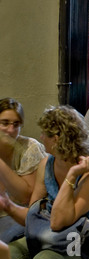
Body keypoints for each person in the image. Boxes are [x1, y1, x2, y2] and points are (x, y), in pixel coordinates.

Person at [0, 105, 89, 259]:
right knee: (12, 253)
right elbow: (34, 218)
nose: (41, 137)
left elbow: (59, 221)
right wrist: (9, 206)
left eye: (45, 133)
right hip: (57, 234)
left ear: (56, 139)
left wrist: (71, 176)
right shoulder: (47, 164)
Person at [0, 98, 47, 243]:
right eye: (5, 123)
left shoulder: (29, 148)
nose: (11, 130)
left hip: (22, 213)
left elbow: (25, 197)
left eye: (16, 124)